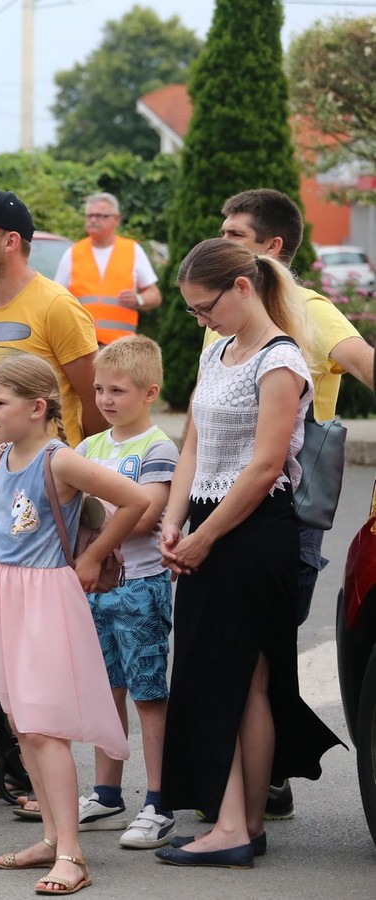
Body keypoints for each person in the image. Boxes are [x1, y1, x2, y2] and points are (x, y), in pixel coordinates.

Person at [155, 239, 342, 868]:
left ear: (242, 287)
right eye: (192, 312)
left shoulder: (281, 359)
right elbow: (192, 449)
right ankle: (244, 822)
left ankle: (236, 824)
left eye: (205, 307)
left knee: (241, 678)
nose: (200, 320)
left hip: (255, 528)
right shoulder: (218, 354)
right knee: (236, 676)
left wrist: (205, 538)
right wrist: (175, 522)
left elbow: (265, 467)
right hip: (210, 521)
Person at [215, 187, 375, 820]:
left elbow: (365, 363)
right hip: (223, 499)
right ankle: (252, 778)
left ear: (271, 247)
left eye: (234, 235)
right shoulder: (227, 309)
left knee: (267, 645)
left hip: (288, 506)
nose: (221, 242)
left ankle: (266, 777)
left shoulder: (309, 309)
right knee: (238, 647)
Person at [0, 352, 146, 894]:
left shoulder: (59, 460)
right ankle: (52, 838)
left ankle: (72, 854)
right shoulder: (4, 452)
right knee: (21, 721)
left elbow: (135, 499)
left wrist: (95, 555)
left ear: (36, 407)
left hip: (45, 595)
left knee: (45, 727)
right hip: (5, 591)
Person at [68, 335, 179, 848]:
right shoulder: (90, 447)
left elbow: (148, 514)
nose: (106, 400)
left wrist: (97, 526)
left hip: (141, 587)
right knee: (106, 689)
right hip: (94, 589)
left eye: (118, 390)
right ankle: (107, 794)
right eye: (99, 390)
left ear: (150, 391)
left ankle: (159, 802)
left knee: (148, 694)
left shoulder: (157, 448)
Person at [0, 190, 101, 478]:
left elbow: (95, 401)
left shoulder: (57, 306)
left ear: (11, 241)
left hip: (44, 483)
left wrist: (80, 472)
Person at [54, 192, 162, 345]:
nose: (92, 220)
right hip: (81, 345)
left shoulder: (132, 250)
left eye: (99, 215)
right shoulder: (73, 252)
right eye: (89, 215)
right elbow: (57, 299)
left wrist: (138, 299)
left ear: (116, 219)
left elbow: (154, 295)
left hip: (120, 347)